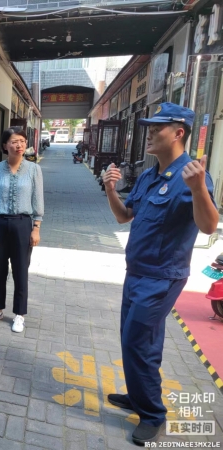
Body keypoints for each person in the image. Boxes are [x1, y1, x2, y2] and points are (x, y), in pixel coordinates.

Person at [102, 103, 218, 446]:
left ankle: (152, 414)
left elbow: (209, 225)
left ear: (179, 132)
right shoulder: (150, 175)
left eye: (157, 128)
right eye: (149, 128)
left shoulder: (192, 175)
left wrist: (198, 188)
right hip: (136, 272)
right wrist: (110, 190)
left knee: (138, 342)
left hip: (161, 276)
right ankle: (138, 395)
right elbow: (124, 216)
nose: (150, 134)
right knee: (135, 338)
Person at [0, 127, 44, 333]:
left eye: (22, 141)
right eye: (14, 141)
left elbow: (38, 200)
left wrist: (36, 228)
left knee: (20, 270)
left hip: (22, 224)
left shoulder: (34, 170)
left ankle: (19, 314)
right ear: (5, 145)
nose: (19, 145)